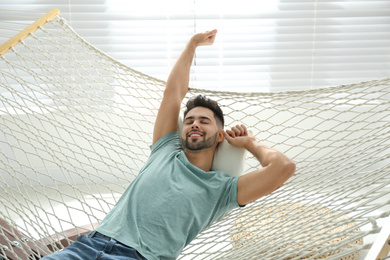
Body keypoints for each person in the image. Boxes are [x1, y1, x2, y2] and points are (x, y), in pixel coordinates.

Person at [41, 29, 296, 260]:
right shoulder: (165, 149)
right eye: (190, 120)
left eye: (204, 121)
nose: (194, 124)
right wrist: (192, 45)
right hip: (86, 247)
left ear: (220, 136)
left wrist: (251, 144)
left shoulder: (223, 190)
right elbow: (173, 92)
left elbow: (283, 167)